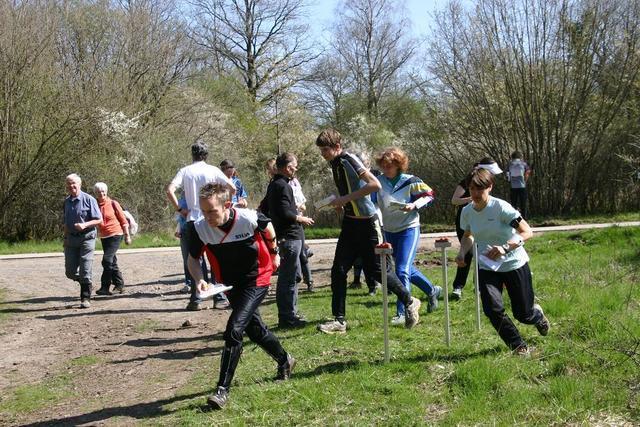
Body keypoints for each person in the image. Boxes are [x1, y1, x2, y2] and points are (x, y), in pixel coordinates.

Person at [185, 183, 295, 409]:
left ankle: (222, 390)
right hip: (229, 285)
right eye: (203, 211)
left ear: (227, 205)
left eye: (212, 211)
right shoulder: (199, 228)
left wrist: (274, 253)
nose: (207, 217)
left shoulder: (248, 218)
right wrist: (199, 280)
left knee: (234, 329)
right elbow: (193, 260)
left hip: (257, 278)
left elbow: (268, 227)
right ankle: (285, 360)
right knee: (254, 330)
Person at [315, 129, 421, 333]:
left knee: (377, 272)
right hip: (350, 223)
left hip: (367, 224)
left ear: (337, 147)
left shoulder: (348, 160)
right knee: (338, 270)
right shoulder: (335, 164)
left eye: (325, 150)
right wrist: (341, 203)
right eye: (321, 150)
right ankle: (339, 321)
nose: (323, 154)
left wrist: (345, 199)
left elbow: (374, 184)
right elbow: (351, 189)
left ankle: (409, 301)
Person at [456, 168, 550, 356]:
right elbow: (468, 235)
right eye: (472, 189)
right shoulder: (467, 212)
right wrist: (462, 252)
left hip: (514, 263)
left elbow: (527, 231)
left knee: (523, 314)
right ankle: (519, 346)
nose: (475, 194)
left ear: (490, 187)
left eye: (479, 189)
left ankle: (537, 315)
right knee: (492, 309)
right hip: (487, 266)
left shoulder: (501, 207)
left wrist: (505, 248)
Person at [374, 148, 442, 325]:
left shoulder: (410, 181)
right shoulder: (378, 182)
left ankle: (403, 312)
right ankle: (432, 290)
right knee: (405, 269)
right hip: (389, 230)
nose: (385, 169)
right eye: (383, 166)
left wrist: (414, 205)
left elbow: (429, 194)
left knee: (401, 270)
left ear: (398, 165)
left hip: (409, 229)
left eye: (389, 166)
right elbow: (371, 202)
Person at [166, 141, 235, 311]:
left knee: (194, 258)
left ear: (192, 154)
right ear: (206, 155)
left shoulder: (185, 171)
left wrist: (180, 209)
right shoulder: (213, 170)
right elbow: (232, 188)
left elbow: (170, 190)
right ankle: (219, 298)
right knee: (215, 257)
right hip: (211, 217)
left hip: (192, 218)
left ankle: (196, 298)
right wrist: (223, 205)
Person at [265, 153, 314, 328]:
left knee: (294, 277)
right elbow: (285, 212)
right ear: (287, 167)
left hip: (289, 237)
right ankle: (287, 318)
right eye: (294, 165)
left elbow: (267, 208)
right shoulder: (282, 186)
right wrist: (301, 218)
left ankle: (291, 313)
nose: (296, 168)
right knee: (288, 279)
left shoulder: (275, 184)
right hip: (289, 237)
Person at [450, 157, 503, 300]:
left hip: (483, 216)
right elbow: (454, 200)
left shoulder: (488, 183)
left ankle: (480, 286)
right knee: (467, 253)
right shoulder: (466, 181)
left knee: (483, 251)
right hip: (466, 218)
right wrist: (472, 198)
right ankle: (458, 287)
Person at [63, 174, 102, 308]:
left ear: (80, 184)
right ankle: (86, 282)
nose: (71, 186)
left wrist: (85, 225)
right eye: (69, 183)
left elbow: (99, 219)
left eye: (73, 183)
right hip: (71, 239)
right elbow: (65, 222)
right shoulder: (67, 202)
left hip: (87, 237)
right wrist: (65, 238)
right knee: (70, 272)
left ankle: (85, 298)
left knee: (85, 267)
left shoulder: (89, 199)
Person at [94, 182, 131, 296]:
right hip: (104, 236)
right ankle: (119, 285)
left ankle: (105, 287)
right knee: (112, 261)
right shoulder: (94, 205)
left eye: (103, 191)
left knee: (106, 260)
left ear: (106, 192)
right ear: (95, 193)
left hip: (116, 234)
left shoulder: (113, 203)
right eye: (99, 192)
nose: (101, 194)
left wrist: (127, 235)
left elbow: (123, 220)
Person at [175, 196, 210, 294]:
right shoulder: (183, 197)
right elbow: (180, 216)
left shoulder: (199, 196)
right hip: (185, 227)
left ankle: (204, 286)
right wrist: (178, 228)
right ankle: (190, 283)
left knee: (196, 257)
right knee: (189, 258)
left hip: (198, 225)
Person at [289, 171, 315, 292]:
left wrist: (297, 206)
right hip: (287, 223)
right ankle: (296, 280)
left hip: (297, 222)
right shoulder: (277, 184)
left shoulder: (295, 183)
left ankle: (309, 281)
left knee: (301, 253)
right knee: (295, 253)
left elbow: (303, 205)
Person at [507, 151, 531, 218]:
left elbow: (508, 175)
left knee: (513, 204)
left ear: (512, 157)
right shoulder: (523, 164)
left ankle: (513, 218)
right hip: (522, 186)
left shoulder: (510, 164)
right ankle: (524, 218)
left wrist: (509, 181)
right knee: (523, 203)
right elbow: (528, 171)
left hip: (513, 187)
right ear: (520, 157)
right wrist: (525, 180)